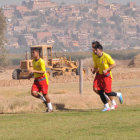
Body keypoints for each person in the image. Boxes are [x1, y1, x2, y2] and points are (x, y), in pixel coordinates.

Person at [92, 41, 123, 112]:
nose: (94, 51)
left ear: (100, 50)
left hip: (107, 76)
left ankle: (118, 94)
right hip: (100, 76)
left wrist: (107, 69)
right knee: (100, 91)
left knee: (107, 92)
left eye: (95, 49)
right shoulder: (96, 57)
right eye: (94, 49)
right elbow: (96, 66)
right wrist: (94, 70)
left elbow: (114, 64)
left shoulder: (106, 56)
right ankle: (107, 107)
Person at [28, 48, 53, 112]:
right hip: (36, 80)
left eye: (33, 52)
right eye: (32, 53)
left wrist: (33, 70)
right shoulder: (33, 61)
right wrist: (30, 75)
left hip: (43, 79)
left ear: (37, 53)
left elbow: (43, 72)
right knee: (33, 93)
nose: (32, 54)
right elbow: (35, 72)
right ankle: (44, 100)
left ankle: (50, 108)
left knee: (45, 94)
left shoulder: (41, 61)